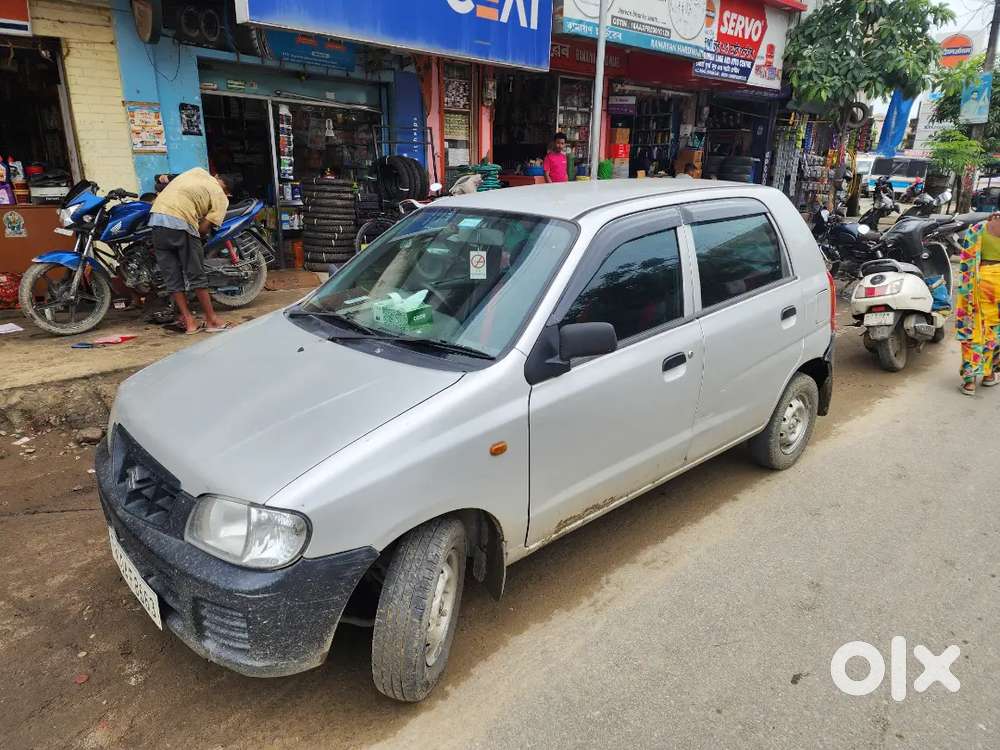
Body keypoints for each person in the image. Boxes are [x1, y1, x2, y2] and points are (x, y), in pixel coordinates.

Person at [148, 167, 232, 334]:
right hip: (180, 223)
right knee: (196, 274)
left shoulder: (197, 172)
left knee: (172, 277)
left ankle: (189, 322)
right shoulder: (221, 197)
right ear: (227, 192)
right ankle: (211, 320)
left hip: (156, 220)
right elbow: (203, 229)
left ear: (215, 175)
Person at [956, 212, 1000, 394]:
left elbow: (966, 262)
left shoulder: (978, 229)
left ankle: (970, 381)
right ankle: (989, 375)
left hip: (980, 282)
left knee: (972, 328)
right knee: (994, 330)